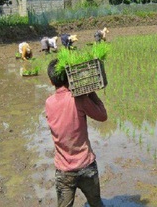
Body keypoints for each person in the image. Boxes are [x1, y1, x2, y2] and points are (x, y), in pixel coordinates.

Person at [45, 59, 107, 207]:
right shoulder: (79, 99)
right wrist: (90, 92)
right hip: (86, 166)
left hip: (64, 171)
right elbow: (103, 116)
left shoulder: (49, 103)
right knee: (96, 204)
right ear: (70, 76)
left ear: (51, 82)